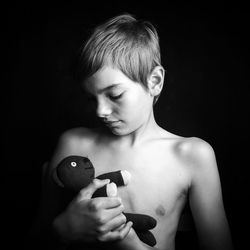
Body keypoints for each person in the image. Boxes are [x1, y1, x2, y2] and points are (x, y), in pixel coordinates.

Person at [28, 13, 234, 250]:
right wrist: (63, 229)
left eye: (114, 95)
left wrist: (134, 247)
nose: (101, 111)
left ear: (154, 81)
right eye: (91, 98)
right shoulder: (73, 144)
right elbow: (37, 237)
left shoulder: (192, 155)